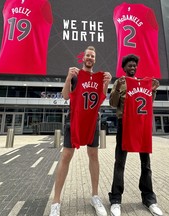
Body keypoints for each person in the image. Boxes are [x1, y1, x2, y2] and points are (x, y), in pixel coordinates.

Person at [49, 46, 112, 216]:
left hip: (92, 121)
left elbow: (101, 97)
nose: (90, 57)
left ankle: (95, 196)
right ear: (83, 58)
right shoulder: (76, 75)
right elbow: (65, 96)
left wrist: (106, 83)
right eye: (88, 55)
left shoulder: (100, 77)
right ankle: (56, 201)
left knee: (93, 156)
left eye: (92, 55)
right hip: (74, 121)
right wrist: (68, 77)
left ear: (95, 59)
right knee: (66, 156)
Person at [108, 54, 163, 216]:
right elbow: (112, 103)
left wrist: (153, 91)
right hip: (124, 124)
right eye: (129, 66)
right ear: (124, 68)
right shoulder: (120, 83)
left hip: (141, 124)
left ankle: (149, 199)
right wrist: (118, 89)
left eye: (134, 65)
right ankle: (116, 199)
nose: (132, 68)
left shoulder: (144, 83)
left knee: (145, 163)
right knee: (120, 162)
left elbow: (148, 103)